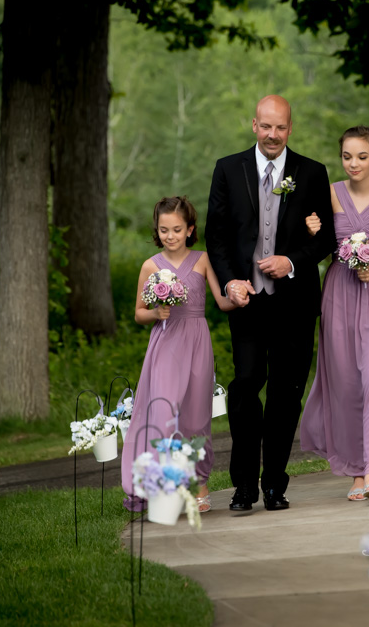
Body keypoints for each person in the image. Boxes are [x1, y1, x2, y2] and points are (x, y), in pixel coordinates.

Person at [205, 95, 335, 511]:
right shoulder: (228, 169)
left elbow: (326, 238)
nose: (272, 135)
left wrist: (291, 261)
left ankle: (274, 484)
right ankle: (243, 485)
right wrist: (229, 282)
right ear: (254, 125)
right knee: (245, 386)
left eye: (280, 127)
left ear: (290, 129)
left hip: (294, 303)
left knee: (285, 393)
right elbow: (216, 236)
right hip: (248, 301)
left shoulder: (312, 172)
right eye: (266, 126)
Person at [299, 125, 369, 501]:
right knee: (346, 386)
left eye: (362, 156)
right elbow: (316, 243)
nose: (354, 163)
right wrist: (311, 230)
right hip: (340, 296)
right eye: (347, 156)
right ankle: (355, 471)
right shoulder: (330, 193)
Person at [121, 196, 235, 514]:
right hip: (166, 345)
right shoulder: (150, 266)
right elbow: (138, 313)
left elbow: (222, 301)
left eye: (176, 229)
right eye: (164, 230)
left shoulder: (203, 260)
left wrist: (240, 295)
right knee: (162, 415)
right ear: (157, 231)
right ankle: (160, 487)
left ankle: (199, 485)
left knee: (196, 418)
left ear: (190, 229)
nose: (170, 236)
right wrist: (155, 313)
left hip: (197, 342)